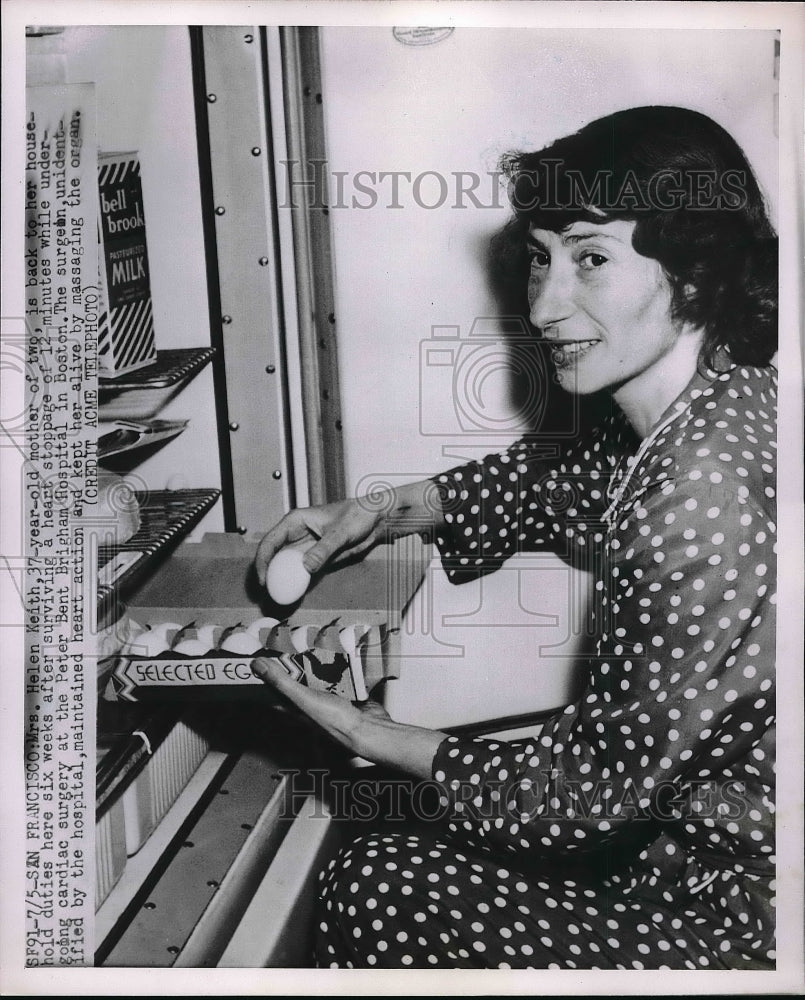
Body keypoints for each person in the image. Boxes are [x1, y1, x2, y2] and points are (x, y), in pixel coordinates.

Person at [253, 106, 777, 970]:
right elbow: (549, 485)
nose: (542, 305)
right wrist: (377, 512)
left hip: (738, 920)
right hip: (688, 851)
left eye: (591, 260)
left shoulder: (699, 491)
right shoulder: (721, 396)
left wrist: (369, 734)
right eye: (540, 258)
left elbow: (581, 797)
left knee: (377, 879)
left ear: (692, 273)